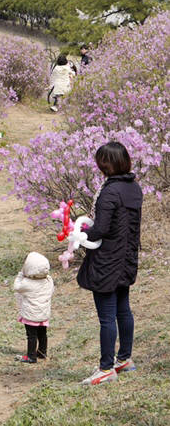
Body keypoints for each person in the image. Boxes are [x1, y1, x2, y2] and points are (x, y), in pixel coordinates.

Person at [78, 141, 143, 386]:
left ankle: (106, 367)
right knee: (123, 309)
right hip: (126, 258)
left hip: (107, 261)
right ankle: (124, 359)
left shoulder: (110, 191)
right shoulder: (134, 188)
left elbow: (101, 229)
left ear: (107, 164)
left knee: (107, 316)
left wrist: (81, 235)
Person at [14, 252, 54, 363]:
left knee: (31, 335)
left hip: (31, 315)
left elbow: (17, 287)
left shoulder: (27, 283)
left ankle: (31, 356)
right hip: (43, 313)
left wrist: (20, 275)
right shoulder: (48, 280)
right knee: (42, 333)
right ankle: (42, 352)